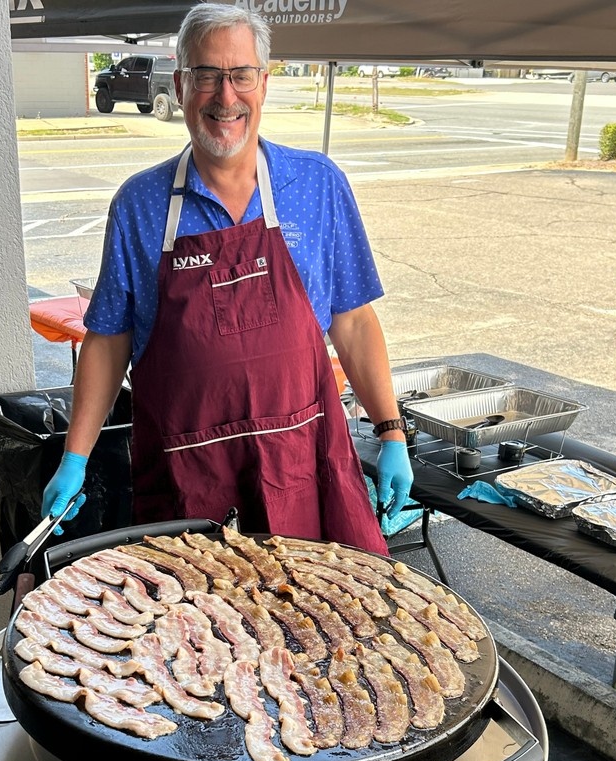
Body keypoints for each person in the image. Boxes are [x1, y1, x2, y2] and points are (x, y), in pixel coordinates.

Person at [42, 3, 412, 554]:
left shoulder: (316, 184)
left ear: (264, 82)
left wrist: (391, 433)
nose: (225, 95)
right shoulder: (140, 204)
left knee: (320, 620)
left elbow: (353, 320)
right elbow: (109, 338)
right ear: (180, 82)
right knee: (201, 630)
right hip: (188, 478)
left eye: (240, 75)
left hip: (304, 466)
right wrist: (75, 457)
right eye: (206, 75)